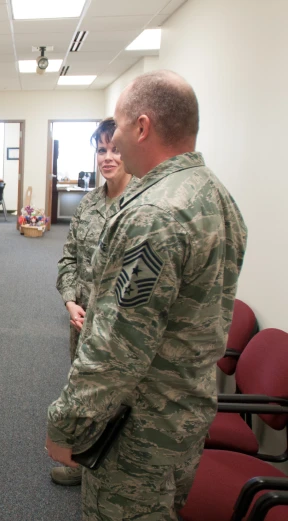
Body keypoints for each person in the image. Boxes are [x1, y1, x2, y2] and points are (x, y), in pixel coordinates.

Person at [45, 70, 247, 520]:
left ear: (142, 126)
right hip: (184, 411)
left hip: (138, 427)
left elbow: (118, 346)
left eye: (116, 126)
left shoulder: (153, 215)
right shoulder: (215, 195)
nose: (112, 138)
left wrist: (66, 423)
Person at [52, 117, 136, 487]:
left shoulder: (144, 206)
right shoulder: (87, 205)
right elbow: (68, 258)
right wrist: (70, 301)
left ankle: (112, 477)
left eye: (115, 149)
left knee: (120, 400)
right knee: (83, 392)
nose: (107, 157)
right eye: (101, 149)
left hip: (123, 333)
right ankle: (82, 463)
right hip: (82, 322)